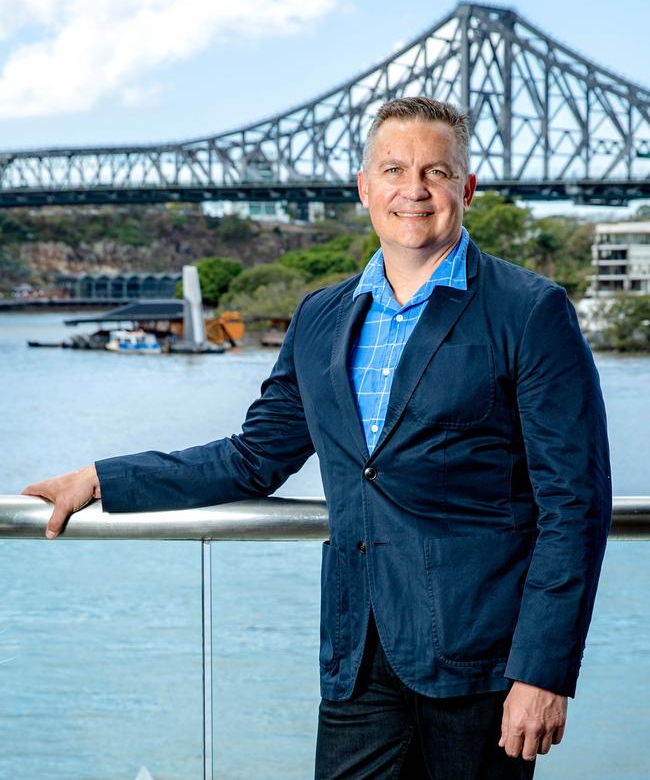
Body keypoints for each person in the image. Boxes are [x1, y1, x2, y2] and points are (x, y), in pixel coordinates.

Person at [23, 97, 612, 779]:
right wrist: (101, 479)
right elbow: (253, 457)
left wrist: (544, 673)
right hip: (356, 656)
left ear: (467, 189)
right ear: (364, 188)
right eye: (393, 168)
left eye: (436, 171)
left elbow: (575, 504)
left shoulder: (530, 311)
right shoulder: (320, 316)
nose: (413, 189)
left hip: (482, 666)